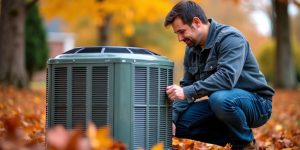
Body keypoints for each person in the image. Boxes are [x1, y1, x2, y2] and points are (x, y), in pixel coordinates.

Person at [164, 1, 275, 150]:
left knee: (219, 98)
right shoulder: (191, 50)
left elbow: (226, 78)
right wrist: (172, 119)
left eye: (181, 31)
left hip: (257, 103)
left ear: (196, 22)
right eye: (177, 33)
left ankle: (245, 144)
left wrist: (187, 92)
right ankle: (233, 139)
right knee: (180, 122)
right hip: (224, 105)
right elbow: (186, 87)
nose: (180, 38)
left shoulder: (230, 38)